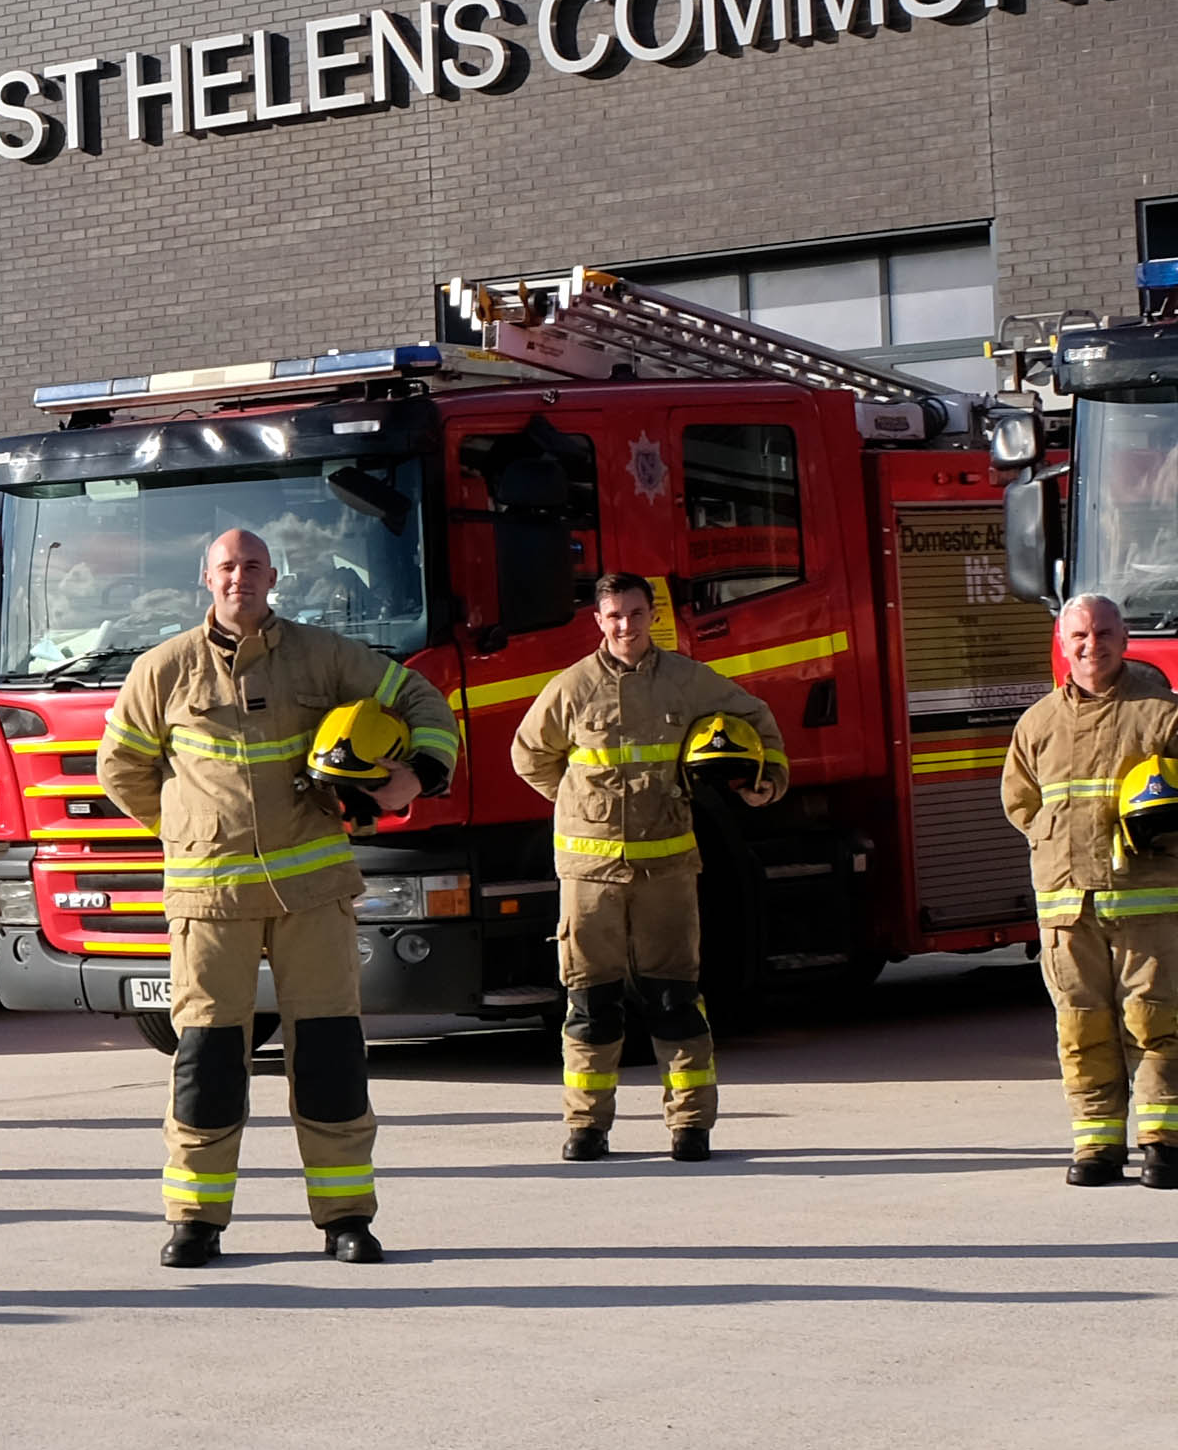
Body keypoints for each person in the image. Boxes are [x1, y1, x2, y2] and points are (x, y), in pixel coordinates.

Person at [89, 527, 449, 1267]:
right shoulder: (162, 670)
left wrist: (418, 775)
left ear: (272, 576)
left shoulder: (324, 656)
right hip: (208, 900)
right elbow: (119, 768)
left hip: (312, 894)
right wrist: (185, 827)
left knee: (329, 1056)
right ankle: (195, 1218)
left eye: (252, 566)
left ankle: (346, 1216)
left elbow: (419, 698)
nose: (239, 578)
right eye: (227, 566)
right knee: (207, 1061)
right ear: (206, 579)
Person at [504, 573, 789, 1164]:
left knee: (675, 1000)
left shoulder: (688, 681)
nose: (626, 627)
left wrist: (764, 784)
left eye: (635, 614)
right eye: (614, 616)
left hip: (668, 871)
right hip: (588, 875)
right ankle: (587, 1128)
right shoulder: (572, 687)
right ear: (598, 621)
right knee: (590, 1004)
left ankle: (691, 1126)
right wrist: (578, 802)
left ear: (652, 615)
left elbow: (758, 722)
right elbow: (528, 754)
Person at [999, 593, 1178, 1187]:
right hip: (1066, 908)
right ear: (1063, 646)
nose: (1093, 646)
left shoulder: (1164, 713)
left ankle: (1163, 1146)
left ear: (1125, 637)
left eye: (1105, 633)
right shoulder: (1037, 723)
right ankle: (1096, 1147)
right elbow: (1020, 804)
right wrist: (1055, 846)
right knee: (1081, 1025)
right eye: (1081, 636)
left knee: (1152, 1020)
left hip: (1145, 904)